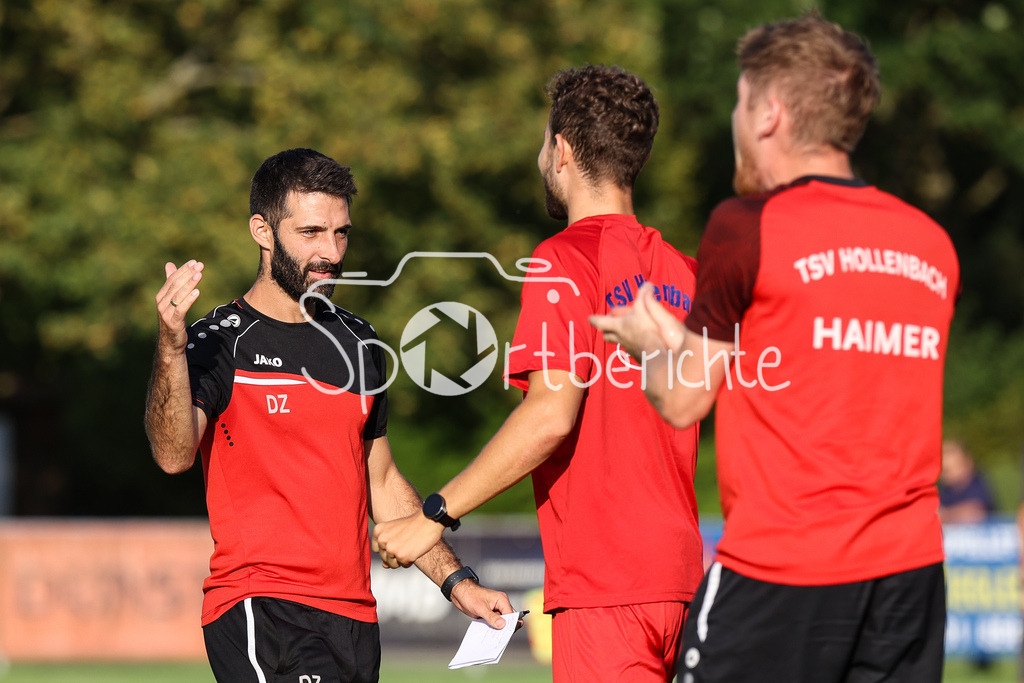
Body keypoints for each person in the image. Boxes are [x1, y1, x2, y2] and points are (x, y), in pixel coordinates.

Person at [591, 14, 959, 683]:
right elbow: (821, 368)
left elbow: (682, 399)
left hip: (786, 572)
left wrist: (649, 343)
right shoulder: (930, 242)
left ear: (769, 114)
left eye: (739, 100)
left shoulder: (746, 224)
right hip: (910, 576)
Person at [371, 66, 705, 682]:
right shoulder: (686, 272)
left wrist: (431, 517)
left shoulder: (561, 260)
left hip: (606, 588)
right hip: (682, 583)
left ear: (564, 151)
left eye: (543, 141)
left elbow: (551, 414)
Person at [143, 148, 514, 683]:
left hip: (354, 618)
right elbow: (174, 455)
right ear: (262, 231)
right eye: (312, 232)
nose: (331, 252)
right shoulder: (216, 341)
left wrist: (459, 582)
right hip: (261, 607)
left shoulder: (360, 342)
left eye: (341, 234)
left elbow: (382, 483)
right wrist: (171, 348)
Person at [939, 438, 995, 523]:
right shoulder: (946, 491)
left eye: (950, 469)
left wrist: (946, 515)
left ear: (968, 462)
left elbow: (974, 512)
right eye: (944, 471)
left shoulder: (977, 483)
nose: (946, 475)